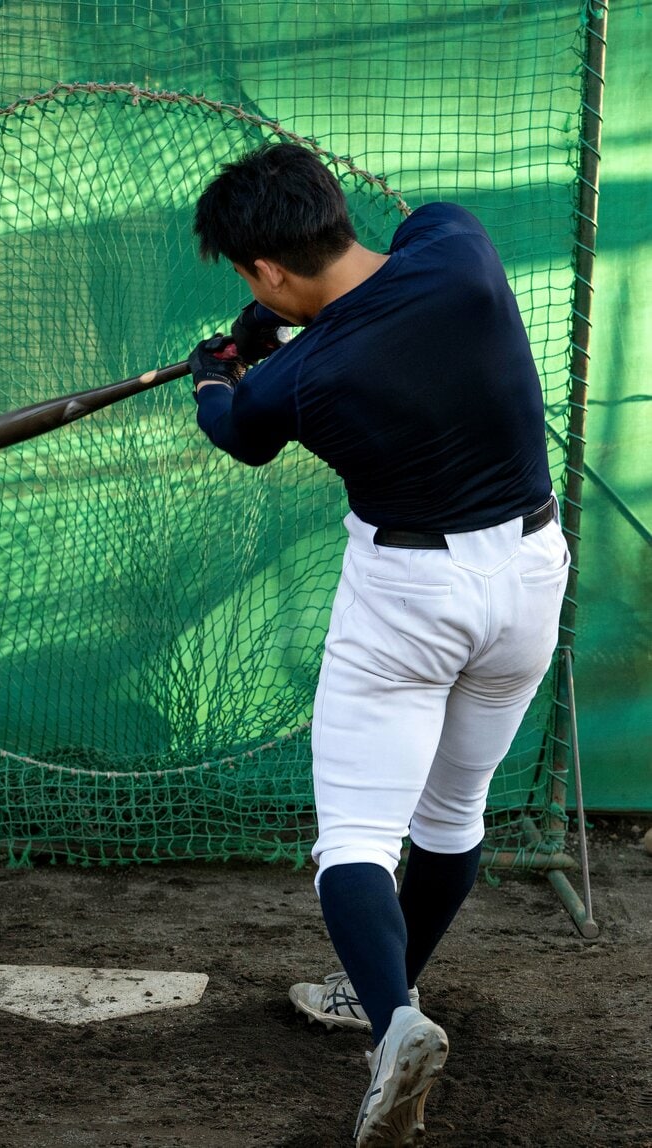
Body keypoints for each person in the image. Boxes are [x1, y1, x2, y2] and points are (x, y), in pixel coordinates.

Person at [187, 142, 570, 1147]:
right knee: (454, 809)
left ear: (266, 270)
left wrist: (215, 368)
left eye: (251, 274)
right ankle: (388, 991)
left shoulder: (300, 380)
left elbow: (239, 427)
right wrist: (280, 318)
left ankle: (392, 1017)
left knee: (355, 835)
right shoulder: (460, 248)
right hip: (530, 572)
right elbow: (392, 259)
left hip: (408, 592)